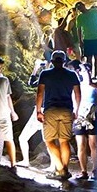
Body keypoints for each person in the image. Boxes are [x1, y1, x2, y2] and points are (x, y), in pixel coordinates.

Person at [35, 50, 81, 179]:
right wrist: (76, 111)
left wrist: (38, 111)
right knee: (64, 141)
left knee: (49, 141)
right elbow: (78, 94)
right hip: (67, 110)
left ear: (52, 61)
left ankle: (60, 170)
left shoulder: (45, 74)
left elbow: (39, 93)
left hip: (51, 110)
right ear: (64, 61)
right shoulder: (72, 75)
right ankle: (64, 171)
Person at [70, 60, 97, 180]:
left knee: (93, 144)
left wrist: (86, 70)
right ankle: (83, 171)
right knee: (80, 144)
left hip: (92, 115)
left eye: (85, 70)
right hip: (79, 116)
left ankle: (95, 170)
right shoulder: (75, 85)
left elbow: (89, 82)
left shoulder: (94, 85)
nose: (81, 72)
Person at [73, 1, 97, 80]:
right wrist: (80, 40)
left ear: (84, 5)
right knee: (88, 58)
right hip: (87, 39)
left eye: (80, 6)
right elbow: (79, 30)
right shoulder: (80, 17)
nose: (80, 9)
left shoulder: (94, 12)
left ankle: (95, 75)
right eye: (78, 8)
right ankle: (90, 76)